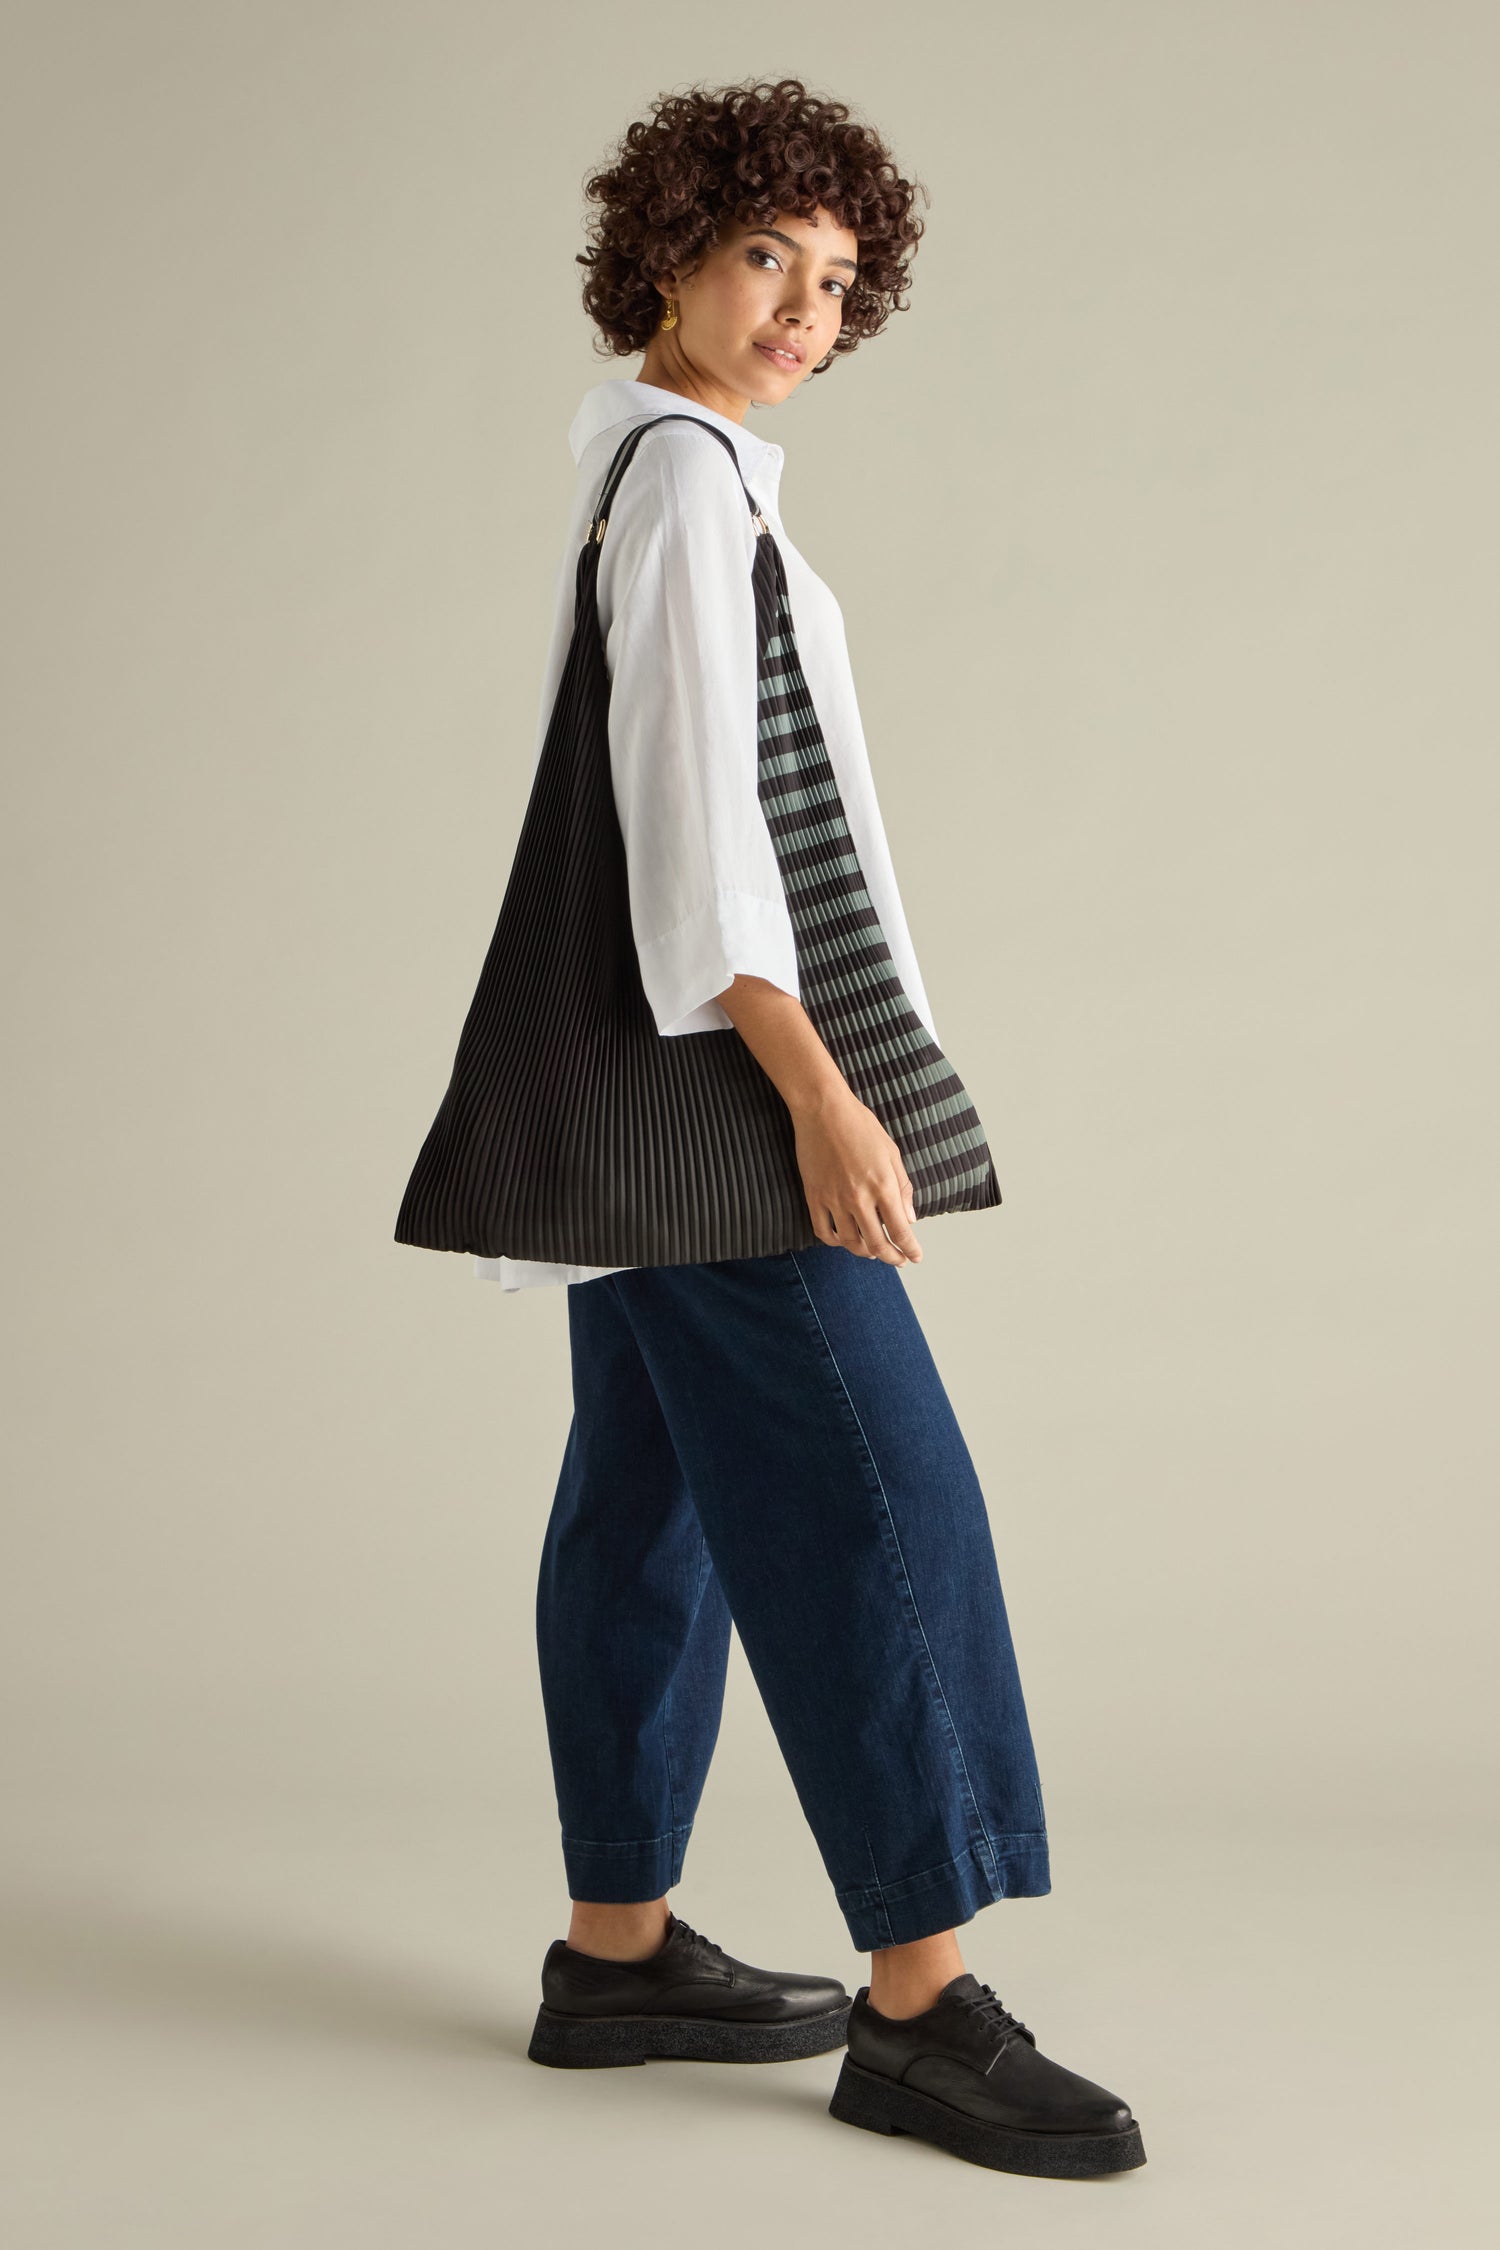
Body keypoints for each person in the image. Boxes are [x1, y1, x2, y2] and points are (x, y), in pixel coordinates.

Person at [502, 78, 1145, 2179]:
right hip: (725, 1090)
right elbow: (697, 845)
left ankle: (617, 1955)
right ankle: (922, 2007)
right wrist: (822, 1096)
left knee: (648, 1505)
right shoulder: (688, 485)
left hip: (640, 1098)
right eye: (768, 254)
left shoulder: (668, 470)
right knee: (887, 1511)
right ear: (671, 250)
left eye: (840, 279)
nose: (804, 307)